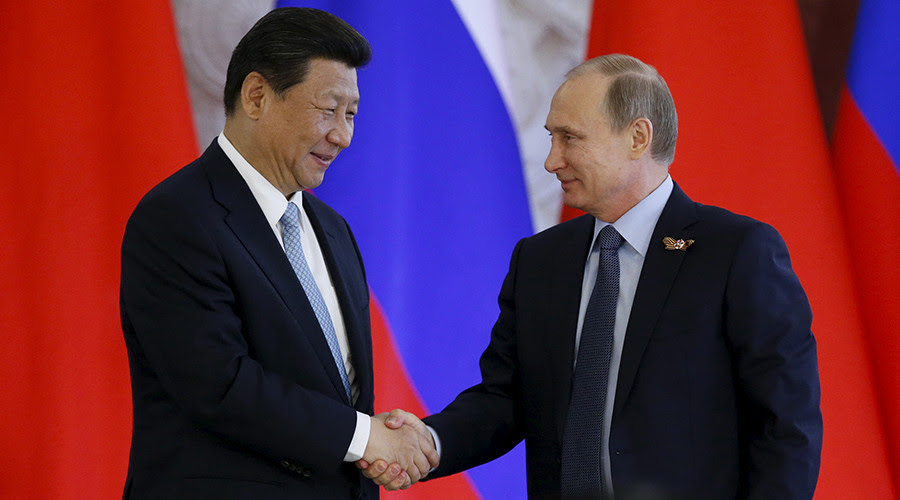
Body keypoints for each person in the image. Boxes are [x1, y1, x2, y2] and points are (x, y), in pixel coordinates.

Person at [362, 54, 822, 499]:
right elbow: (506, 400)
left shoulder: (735, 251)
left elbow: (785, 422)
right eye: (550, 138)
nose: (552, 160)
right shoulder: (540, 259)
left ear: (638, 137)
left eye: (569, 138)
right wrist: (427, 443)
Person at [120, 8, 436, 499]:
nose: (343, 136)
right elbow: (220, 385)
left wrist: (377, 441)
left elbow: (336, 391)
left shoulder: (334, 230)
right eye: (327, 109)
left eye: (351, 114)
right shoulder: (176, 217)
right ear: (257, 96)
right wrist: (365, 437)